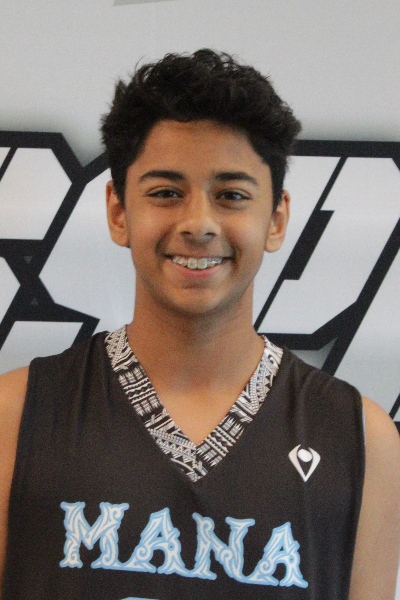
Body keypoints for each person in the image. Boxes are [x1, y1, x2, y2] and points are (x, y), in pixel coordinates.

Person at [0, 49, 399, 600]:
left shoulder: (361, 439)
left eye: (231, 195)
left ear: (276, 218)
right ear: (118, 211)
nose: (199, 224)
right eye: (166, 193)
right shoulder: (15, 415)